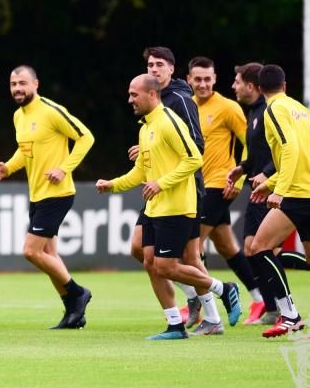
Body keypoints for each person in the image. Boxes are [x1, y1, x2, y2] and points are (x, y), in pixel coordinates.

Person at [97, 74, 239, 340]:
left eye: (134, 94)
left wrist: (161, 184)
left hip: (177, 206)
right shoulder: (145, 127)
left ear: (152, 94)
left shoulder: (169, 122)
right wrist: (112, 185)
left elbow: (194, 159)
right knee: (150, 263)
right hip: (155, 208)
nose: (130, 100)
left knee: (167, 266)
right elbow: (141, 171)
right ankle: (175, 324)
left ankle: (224, 288)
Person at [227, 63, 310, 326]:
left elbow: (290, 150)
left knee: (258, 248)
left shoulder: (273, 110)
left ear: (259, 88)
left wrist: (279, 191)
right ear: (285, 85)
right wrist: (270, 183)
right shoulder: (300, 109)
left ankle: (289, 314)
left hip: (298, 193)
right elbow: (302, 155)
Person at [138, 47, 236, 328]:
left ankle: (212, 313)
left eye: (159, 65)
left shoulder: (180, 99)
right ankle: (196, 301)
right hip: (157, 189)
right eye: (150, 65)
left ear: (171, 68)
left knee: (187, 257)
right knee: (147, 254)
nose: (153, 69)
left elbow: (196, 148)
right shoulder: (152, 99)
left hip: (184, 189)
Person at [0, 65, 93, 329]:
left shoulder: (51, 111)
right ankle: (74, 313)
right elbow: (24, 151)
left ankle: (77, 293)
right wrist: (7, 168)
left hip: (57, 194)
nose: (18, 89)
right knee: (50, 256)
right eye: (13, 84)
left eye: (23, 83)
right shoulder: (19, 116)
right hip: (37, 194)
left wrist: (64, 168)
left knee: (31, 251)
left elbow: (85, 138)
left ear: (36, 83)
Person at [187, 57, 265, 319]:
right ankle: (260, 299)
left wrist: (241, 180)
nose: (203, 84)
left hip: (220, 184)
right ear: (189, 80)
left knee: (192, 245)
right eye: (197, 79)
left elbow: (251, 143)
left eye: (207, 79)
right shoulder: (187, 106)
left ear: (215, 79)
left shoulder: (228, 107)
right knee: (226, 246)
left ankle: (204, 307)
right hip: (198, 185)